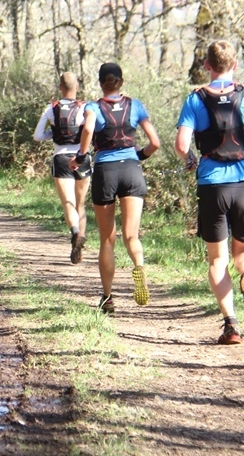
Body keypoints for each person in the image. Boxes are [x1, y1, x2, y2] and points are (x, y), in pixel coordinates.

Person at [174, 40, 244, 345]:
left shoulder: (195, 100)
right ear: (235, 65)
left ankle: (231, 325)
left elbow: (181, 144)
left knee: (217, 260)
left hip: (212, 184)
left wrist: (190, 160)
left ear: (207, 65)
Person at [71, 62, 160, 313]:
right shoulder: (135, 105)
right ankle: (139, 267)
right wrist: (139, 155)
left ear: (101, 83)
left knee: (107, 240)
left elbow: (88, 128)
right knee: (132, 235)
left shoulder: (93, 107)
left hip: (106, 172)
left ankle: (108, 297)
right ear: (121, 81)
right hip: (132, 170)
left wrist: (81, 155)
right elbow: (155, 142)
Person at [33, 71, 92, 265]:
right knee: (80, 204)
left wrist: (53, 133)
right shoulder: (85, 107)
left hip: (61, 158)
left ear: (60, 87)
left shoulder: (52, 108)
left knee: (68, 202)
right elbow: (91, 131)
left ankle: (75, 233)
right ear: (77, 87)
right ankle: (80, 248)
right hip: (82, 157)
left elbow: (37, 136)